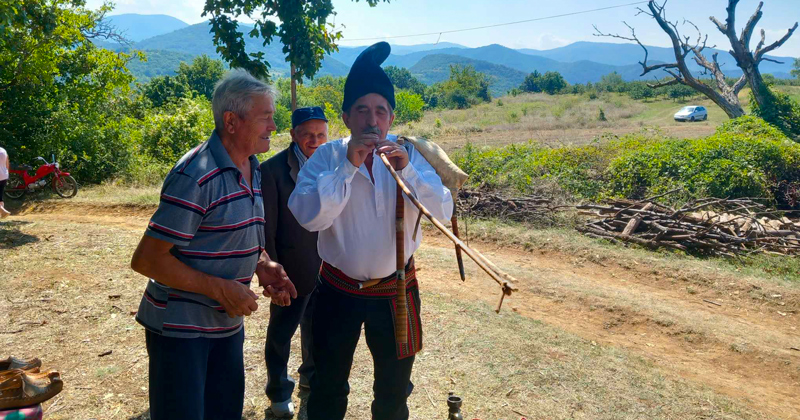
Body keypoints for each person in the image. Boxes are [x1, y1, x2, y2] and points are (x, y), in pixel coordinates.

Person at [288, 42, 453, 420]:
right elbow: (309, 217)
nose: (372, 120)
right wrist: (348, 166)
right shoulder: (328, 156)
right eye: (362, 110)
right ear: (347, 117)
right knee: (328, 386)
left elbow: (443, 212)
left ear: (391, 117)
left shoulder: (409, 156)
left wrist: (409, 172)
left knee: (394, 391)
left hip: (397, 290)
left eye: (381, 110)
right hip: (337, 291)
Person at [129, 69, 297, 420]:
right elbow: (147, 260)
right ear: (231, 121)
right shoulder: (196, 175)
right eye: (265, 117)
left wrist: (261, 264)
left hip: (225, 325)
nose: (273, 126)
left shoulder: (252, 166)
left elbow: (232, 232)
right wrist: (220, 289)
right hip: (181, 331)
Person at [260, 106, 329, 417]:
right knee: (281, 334)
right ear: (292, 135)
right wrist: (274, 277)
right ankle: (278, 392)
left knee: (317, 330)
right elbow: (267, 229)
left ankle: (309, 381)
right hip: (290, 271)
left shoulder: (332, 164)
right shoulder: (272, 170)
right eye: (307, 135)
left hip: (327, 269)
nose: (314, 141)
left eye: (320, 135)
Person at [0, 146, 9, 218]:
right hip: (4, 176)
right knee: (0, 197)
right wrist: (7, 173)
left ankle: (2, 211)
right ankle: (2, 215)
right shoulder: (3, 150)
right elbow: (7, 163)